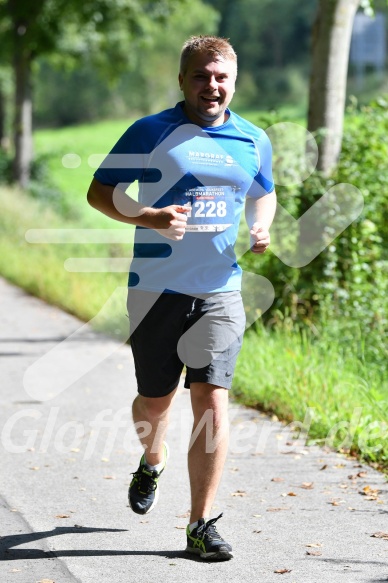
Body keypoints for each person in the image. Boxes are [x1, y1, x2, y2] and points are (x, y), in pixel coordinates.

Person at [87, 35, 276, 561]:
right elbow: (99, 192)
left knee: (211, 401)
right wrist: (149, 217)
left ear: (234, 82)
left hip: (220, 289)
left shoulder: (252, 139)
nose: (211, 86)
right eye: (201, 75)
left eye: (221, 77)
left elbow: (263, 190)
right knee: (154, 400)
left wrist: (261, 227)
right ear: (182, 79)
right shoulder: (151, 132)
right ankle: (152, 459)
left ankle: (201, 524)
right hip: (154, 291)